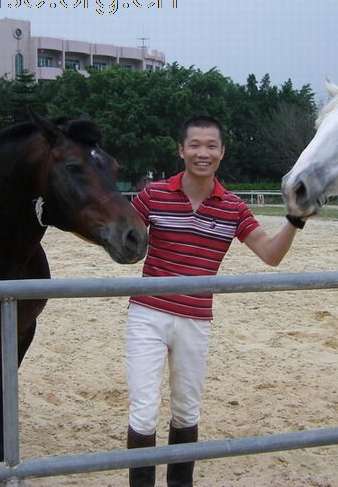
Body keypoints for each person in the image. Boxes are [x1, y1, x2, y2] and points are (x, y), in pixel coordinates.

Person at [125, 115, 307, 487]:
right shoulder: (153, 195)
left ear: (222, 152)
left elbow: (270, 255)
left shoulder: (233, 207)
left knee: (186, 411)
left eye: (211, 146)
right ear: (181, 150)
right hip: (147, 314)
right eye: (194, 145)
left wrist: (295, 220)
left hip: (195, 319)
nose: (202, 153)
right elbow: (120, 239)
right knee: (143, 413)